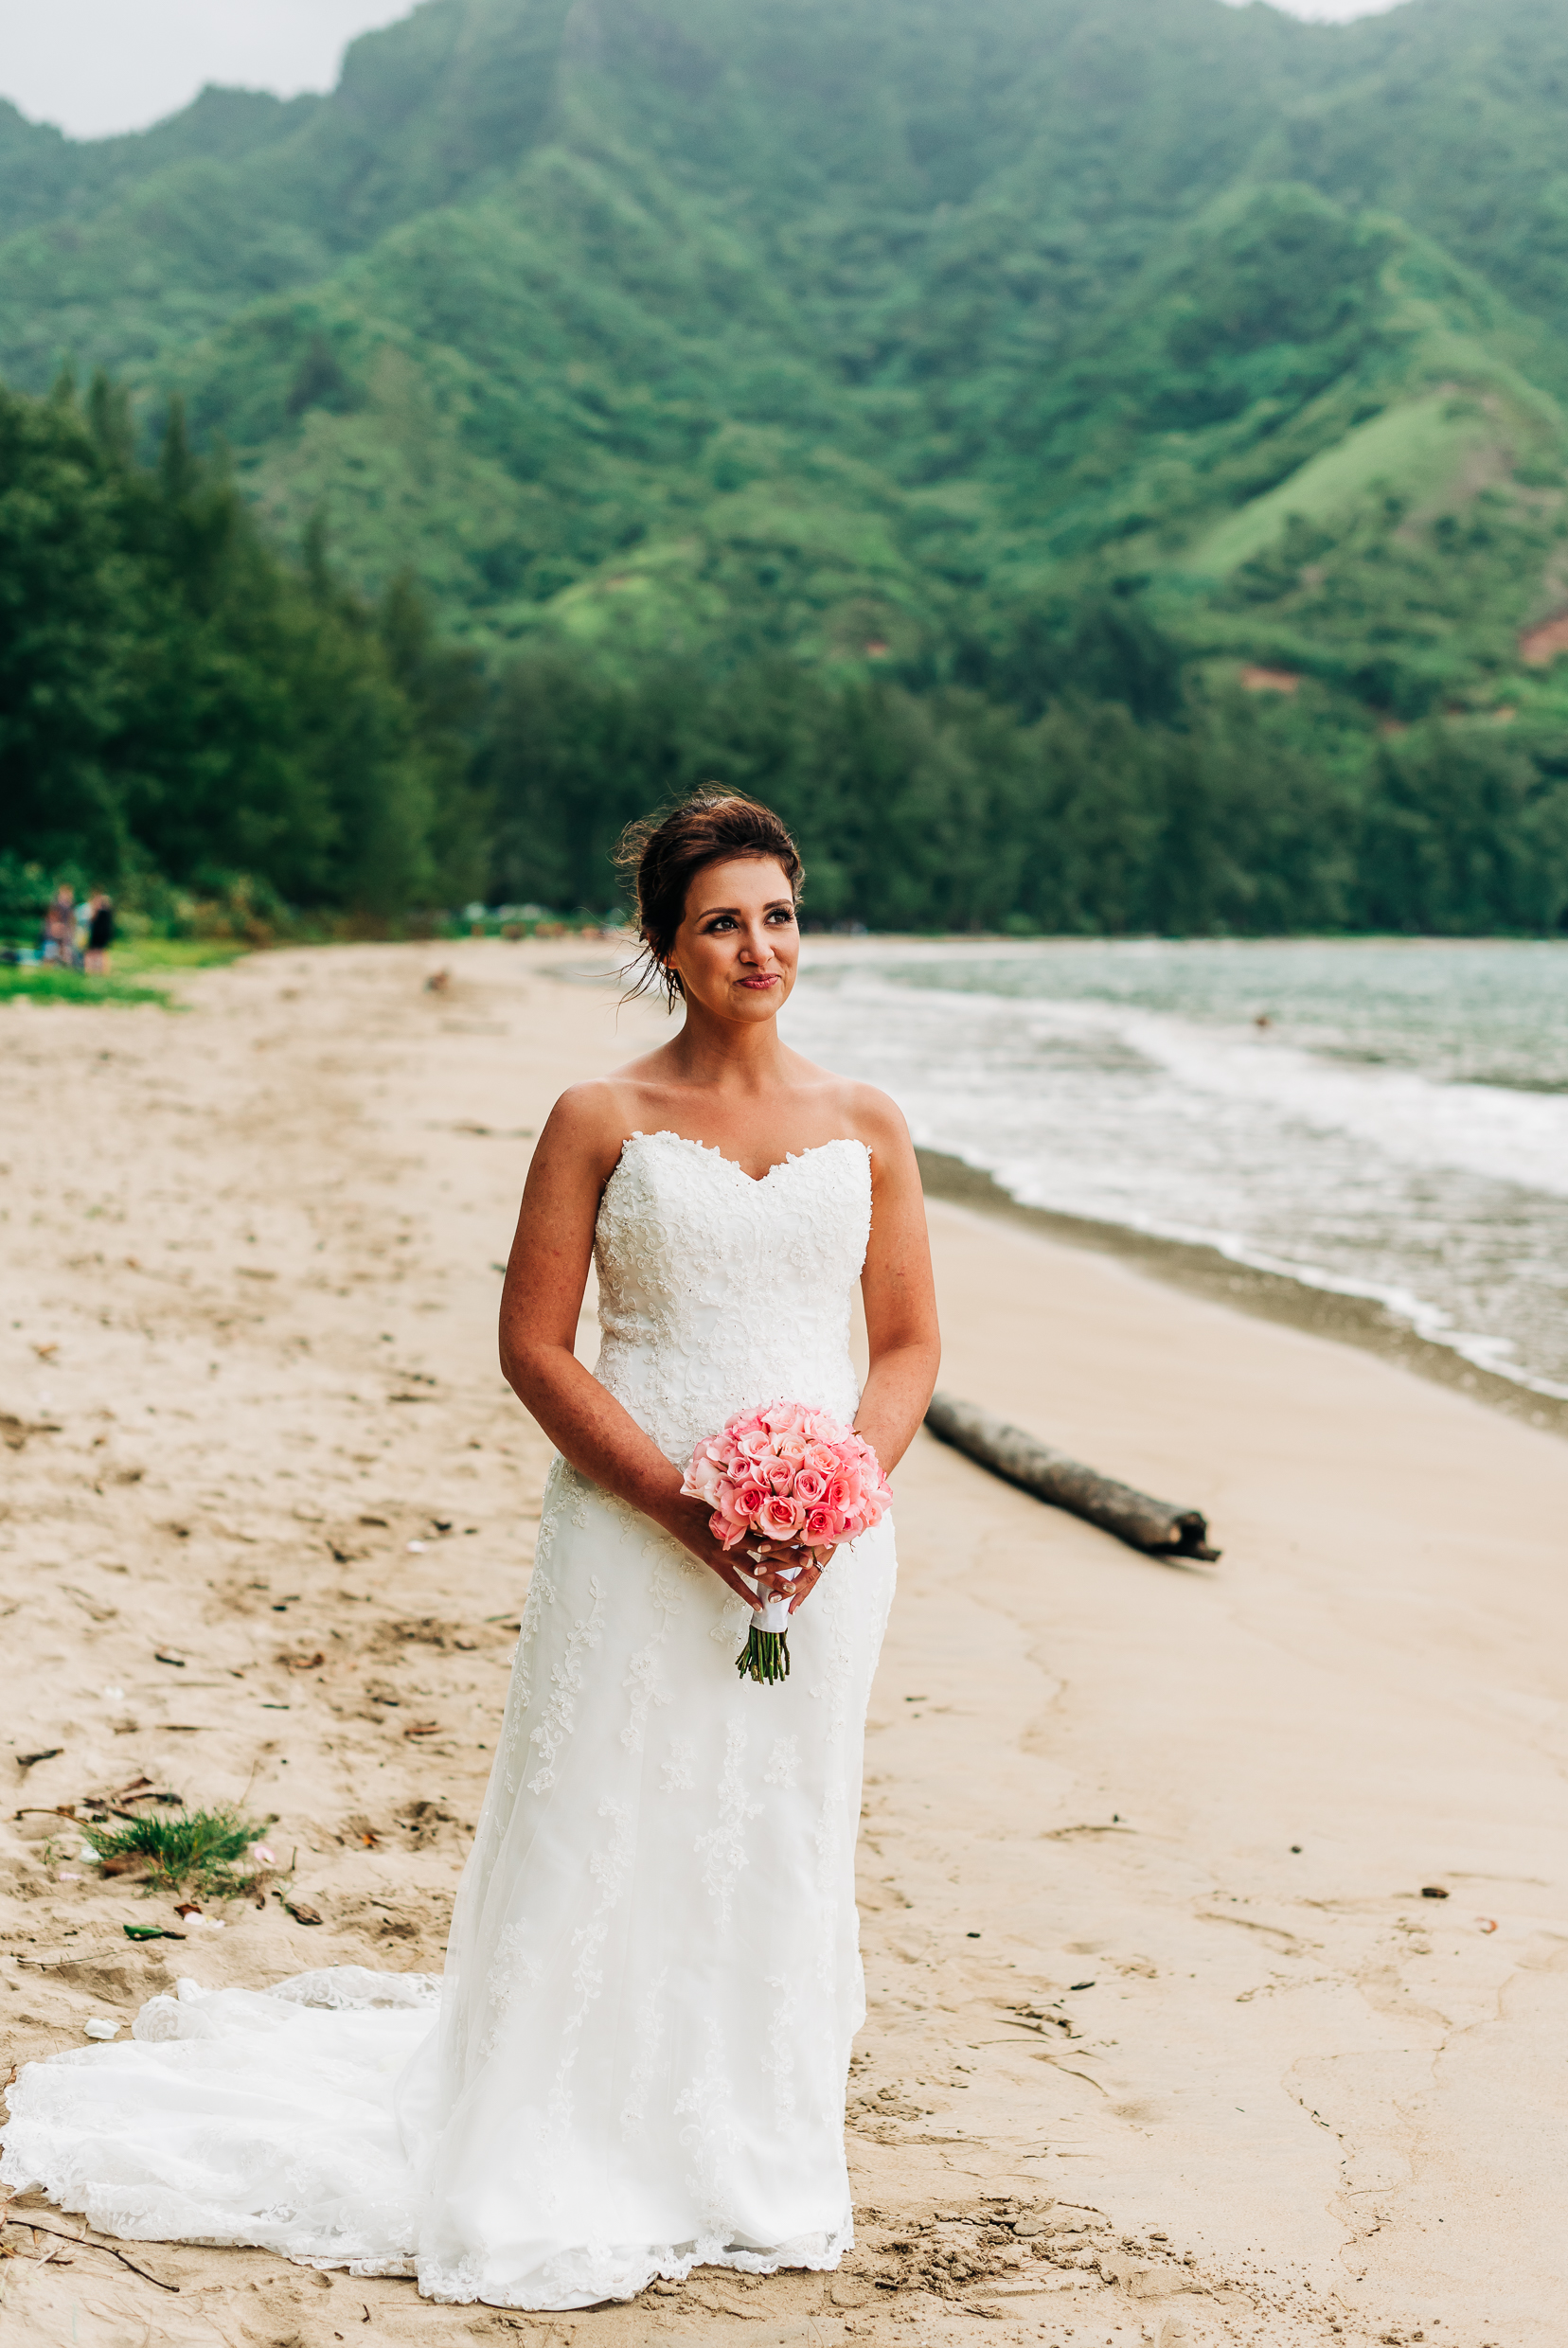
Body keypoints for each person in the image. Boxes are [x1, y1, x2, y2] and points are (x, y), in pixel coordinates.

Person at [0, 792, 942, 2313]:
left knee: (776, 1826)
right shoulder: (599, 1118)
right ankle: (556, 2141)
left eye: (779, 914)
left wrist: (841, 1495)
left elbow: (903, 1345)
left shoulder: (868, 1123)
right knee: (609, 1813)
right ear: (665, 944)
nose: (758, 946)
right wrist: (688, 1508)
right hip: (637, 1528)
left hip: (824, 1551)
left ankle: (746, 2150)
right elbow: (536, 1350)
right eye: (722, 922)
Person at [84, 892, 116, 976]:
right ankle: (104, 970)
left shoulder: (98, 911)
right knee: (102, 952)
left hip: (96, 934)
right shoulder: (109, 911)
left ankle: (89, 970)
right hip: (105, 934)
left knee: (91, 952)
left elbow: (92, 920)